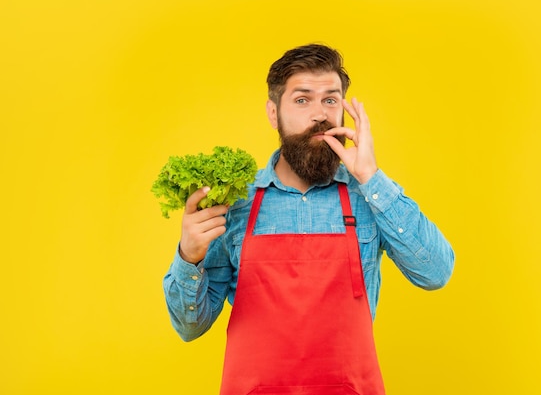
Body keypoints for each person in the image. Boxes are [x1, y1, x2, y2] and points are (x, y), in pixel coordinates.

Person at [163, 43, 455, 395]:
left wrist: (372, 178)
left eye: (330, 100)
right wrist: (188, 256)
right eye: (302, 100)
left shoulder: (370, 197)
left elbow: (436, 273)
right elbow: (189, 326)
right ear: (274, 113)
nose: (320, 114)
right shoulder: (236, 203)